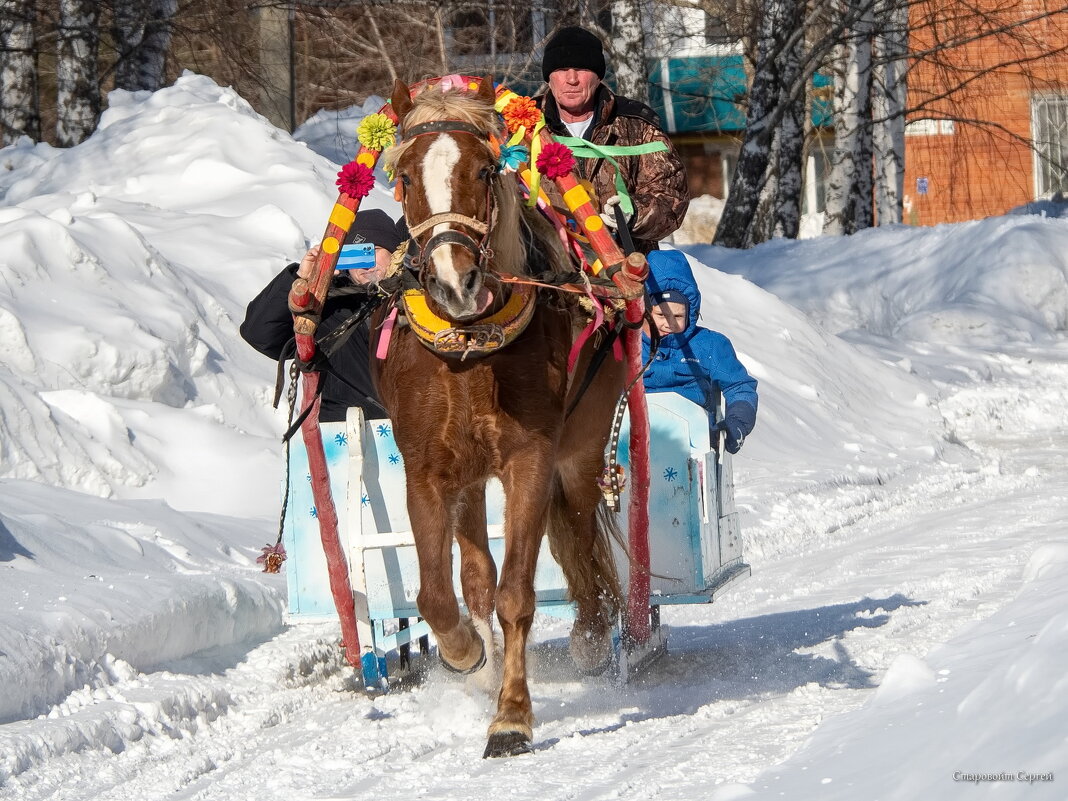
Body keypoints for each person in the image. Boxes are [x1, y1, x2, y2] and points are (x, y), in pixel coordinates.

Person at [536, 25, 690, 255]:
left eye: (581, 68)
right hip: (546, 271)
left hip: (624, 267)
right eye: (561, 69)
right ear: (549, 77)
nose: (571, 79)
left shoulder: (636, 126)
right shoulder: (522, 126)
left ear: (598, 76)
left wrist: (634, 213)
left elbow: (671, 198)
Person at [240, 208, 404, 423]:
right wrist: (302, 278)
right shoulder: (325, 305)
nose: (365, 263)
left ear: (394, 253)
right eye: (353, 254)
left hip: (418, 437)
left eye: (371, 251)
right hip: (343, 438)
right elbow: (260, 335)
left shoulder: (417, 302)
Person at [642, 250, 757, 454]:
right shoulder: (628, 345)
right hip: (636, 435)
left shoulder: (708, 345)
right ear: (645, 311)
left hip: (694, 441)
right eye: (661, 314)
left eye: (678, 315)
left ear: (691, 314)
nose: (669, 323)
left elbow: (739, 386)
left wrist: (736, 423)